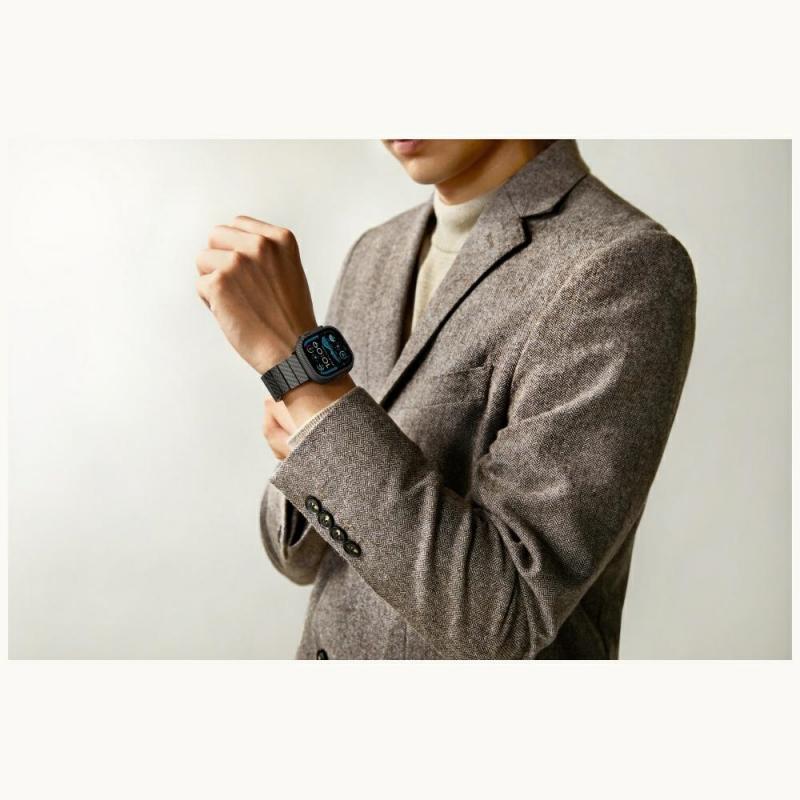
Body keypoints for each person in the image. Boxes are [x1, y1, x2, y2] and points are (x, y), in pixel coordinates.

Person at [195, 139, 696, 659]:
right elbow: (296, 557)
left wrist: (301, 380)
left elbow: (504, 618)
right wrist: (315, 424)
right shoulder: (376, 251)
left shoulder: (623, 264)